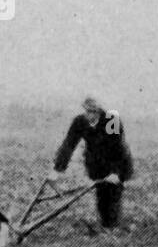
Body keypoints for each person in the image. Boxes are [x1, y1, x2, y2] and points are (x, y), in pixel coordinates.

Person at [48, 96, 133, 229]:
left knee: (113, 194)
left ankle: (113, 229)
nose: (90, 115)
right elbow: (68, 145)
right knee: (101, 197)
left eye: (93, 112)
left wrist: (115, 173)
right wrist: (57, 170)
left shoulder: (111, 120)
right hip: (96, 164)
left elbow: (117, 149)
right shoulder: (79, 122)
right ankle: (106, 226)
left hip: (118, 163)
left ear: (99, 111)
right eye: (87, 111)